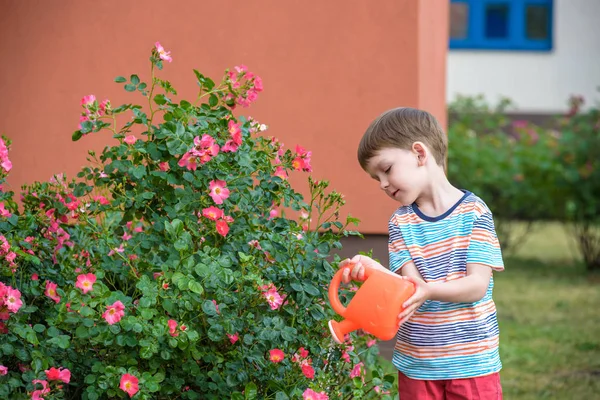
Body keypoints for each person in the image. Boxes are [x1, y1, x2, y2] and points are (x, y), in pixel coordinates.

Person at [341, 107, 504, 399]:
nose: (383, 184)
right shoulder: (400, 222)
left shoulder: (474, 212)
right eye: (375, 178)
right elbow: (409, 290)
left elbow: (477, 286)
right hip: (418, 363)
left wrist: (427, 290)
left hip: (471, 362)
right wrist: (373, 271)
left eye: (387, 169)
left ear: (419, 154)